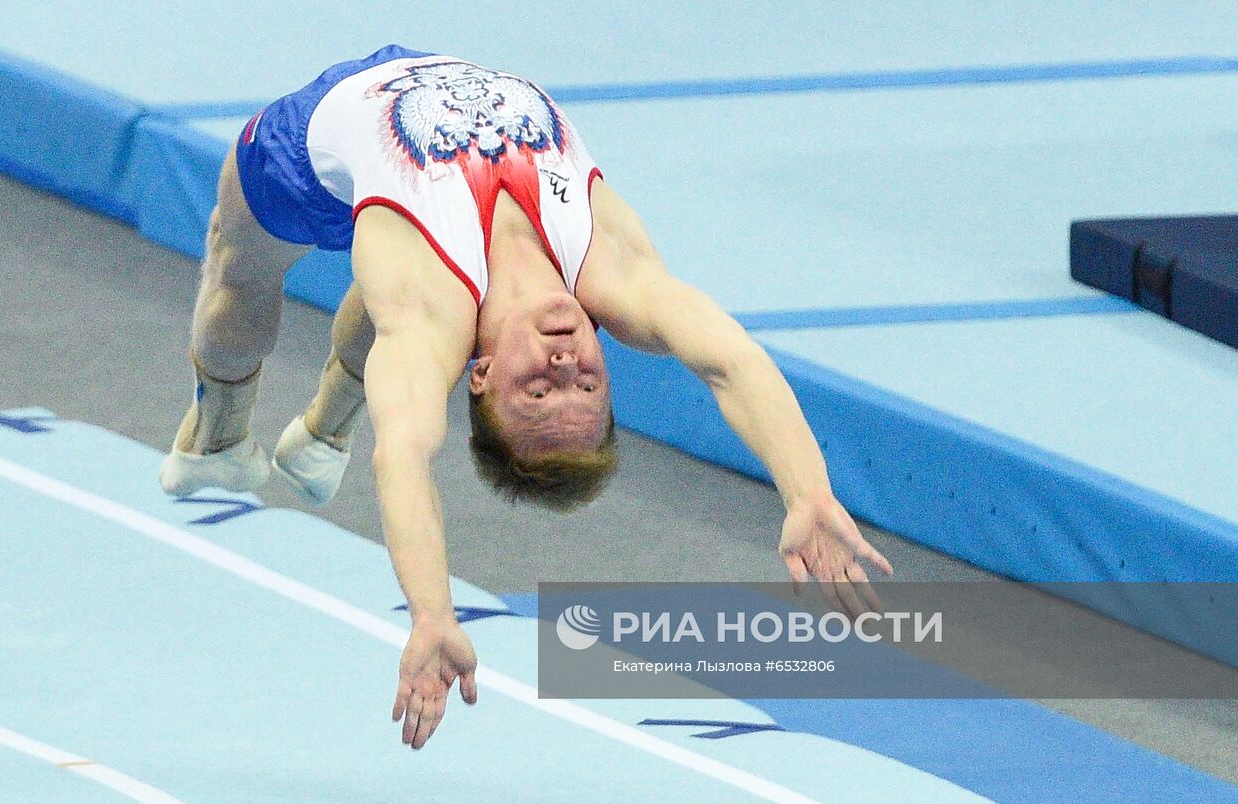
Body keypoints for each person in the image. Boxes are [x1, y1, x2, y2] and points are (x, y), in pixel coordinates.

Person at [159, 45, 893, 750]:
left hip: (316, 142)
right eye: (587, 378)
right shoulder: (614, 275)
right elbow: (732, 362)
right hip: (431, 76)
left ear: (478, 375)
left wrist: (432, 613)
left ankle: (217, 436)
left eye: (538, 385)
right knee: (390, 307)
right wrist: (806, 492)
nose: (566, 356)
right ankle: (319, 436)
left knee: (240, 265)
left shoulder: (432, 315)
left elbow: (405, 459)